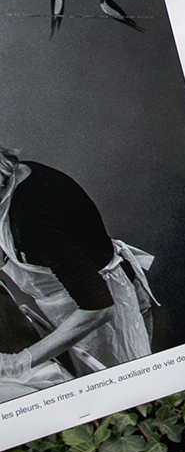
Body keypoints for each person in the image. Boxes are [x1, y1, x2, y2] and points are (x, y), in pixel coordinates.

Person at [0, 148, 156, 396]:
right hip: (69, 311)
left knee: (127, 395)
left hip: (104, 314)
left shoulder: (32, 218)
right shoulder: (11, 177)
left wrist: (20, 362)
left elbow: (99, 305)